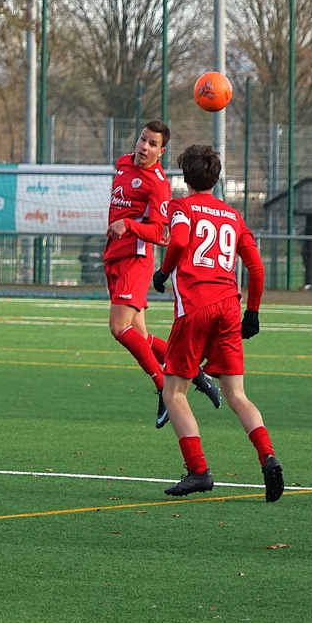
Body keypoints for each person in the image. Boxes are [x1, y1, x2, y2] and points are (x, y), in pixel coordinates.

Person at [151, 144, 283, 501]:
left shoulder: (181, 207)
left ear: (185, 177)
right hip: (228, 306)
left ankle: (198, 471)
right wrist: (252, 312)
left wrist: (163, 272)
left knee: (173, 392)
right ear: (217, 178)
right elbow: (256, 268)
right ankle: (268, 456)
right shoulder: (233, 216)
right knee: (237, 394)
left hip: (196, 307)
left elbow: (179, 241)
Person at [104, 120, 219, 429]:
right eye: (143, 139)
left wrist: (128, 225)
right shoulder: (123, 163)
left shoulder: (157, 184)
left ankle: (161, 387)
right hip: (113, 255)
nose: (144, 146)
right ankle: (197, 373)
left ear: (161, 151)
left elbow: (159, 232)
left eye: (152, 144)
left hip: (135, 259)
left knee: (118, 327)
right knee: (139, 336)